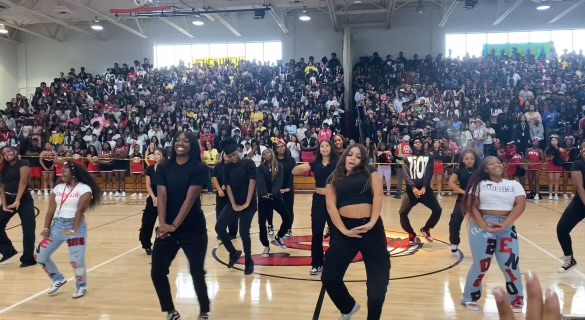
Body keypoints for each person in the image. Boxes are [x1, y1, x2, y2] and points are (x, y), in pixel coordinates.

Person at [321, 143, 390, 320]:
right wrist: (344, 230)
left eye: (358, 156)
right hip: (346, 231)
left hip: (372, 230)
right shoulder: (333, 178)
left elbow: (378, 195)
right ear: (344, 155)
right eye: (350, 154)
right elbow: (331, 207)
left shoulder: (370, 171)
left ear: (363, 160)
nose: (353, 158)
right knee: (330, 277)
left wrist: (373, 221)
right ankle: (348, 306)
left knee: (378, 282)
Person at [151, 132, 211, 320]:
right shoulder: (163, 167)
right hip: (167, 227)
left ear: (192, 145)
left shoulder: (199, 168)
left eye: (185, 141)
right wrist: (163, 225)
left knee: (196, 271)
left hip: (193, 229)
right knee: (157, 271)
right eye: (177, 140)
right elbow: (161, 195)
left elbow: (190, 199)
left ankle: (203, 311)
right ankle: (170, 311)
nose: (181, 143)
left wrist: (174, 225)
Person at [461, 156, 525, 312]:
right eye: (492, 163)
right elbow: (472, 207)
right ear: (485, 169)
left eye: (498, 162)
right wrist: (484, 226)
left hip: (506, 225)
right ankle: (469, 297)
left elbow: (520, 204)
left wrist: (505, 223)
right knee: (482, 264)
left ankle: (516, 299)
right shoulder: (479, 184)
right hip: (482, 225)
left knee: (510, 263)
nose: (497, 164)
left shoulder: (513, 184)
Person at [35, 162, 101, 299]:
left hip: (75, 226)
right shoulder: (58, 188)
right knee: (40, 256)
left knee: (76, 260)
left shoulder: (85, 189)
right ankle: (58, 279)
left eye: (64, 171)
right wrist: (47, 227)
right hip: (58, 225)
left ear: (74, 173)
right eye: (60, 172)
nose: (61, 174)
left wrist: (74, 230)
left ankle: (81, 286)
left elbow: (79, 211)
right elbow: (51, 210)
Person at [292, 140, 339, 275]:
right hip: (318, 200)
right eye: (322, 146)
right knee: (317, 233)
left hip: (334, 200)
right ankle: (316, 263)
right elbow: (294, 171)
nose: (324, 148)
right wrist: (302, 167)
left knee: (336, 234)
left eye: (327, 146)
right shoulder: (315, 163)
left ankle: (332, 261)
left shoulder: (338, 164)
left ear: (331, 148)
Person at [215, 137, 257, 275]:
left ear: (238, 151)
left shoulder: (248, 163)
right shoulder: (226, 168)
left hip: (248, 205)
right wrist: (233, 204)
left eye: (234, 154)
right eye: (229, 155)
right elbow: (228, 186)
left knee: (244, 232)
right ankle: (233, 252)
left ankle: (248, 260)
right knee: (219, 227)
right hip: (233, 203)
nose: (232, 157)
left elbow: (252, 183)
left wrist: (246, 203)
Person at [398, 137, 442, 245]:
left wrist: (424, 187)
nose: (418, 143)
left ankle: (426, 229)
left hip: (425, 190)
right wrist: (413, 188)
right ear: (412, 145)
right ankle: (411, 234)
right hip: (411, 190)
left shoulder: (429, 157)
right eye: (416, 142)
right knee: (402, 213)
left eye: (420, 142)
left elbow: (429, 173)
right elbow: (406, 175)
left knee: (437, 210)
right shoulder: (406, 158)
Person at [0, 146, 37, 267]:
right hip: (9, 200)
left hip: (24, 200)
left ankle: (28, 259)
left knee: (28, 229)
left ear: (15, 152)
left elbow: (23, 181)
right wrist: (5, 205)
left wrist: (17, 200)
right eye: (4, 153)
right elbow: (1, 187)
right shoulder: (4, 168)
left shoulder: (23, 162)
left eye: (9, 151)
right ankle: (7, 250)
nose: (7, 154)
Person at [556, 141, 585, 273]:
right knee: (562, 229)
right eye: (584, 148)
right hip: (581, 202)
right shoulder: (578, 164)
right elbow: (579, 187)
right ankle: (569, 258)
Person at [256, 148, 291, 257]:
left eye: (267, 152)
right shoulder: (260, 168)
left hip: (276, 196)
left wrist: (273, 193)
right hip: (263, 197)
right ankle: (266, 246)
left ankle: (279, 236)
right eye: (264, 154)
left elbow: (279, 181)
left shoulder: (279, 166)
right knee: (262, 223)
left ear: (272, 153)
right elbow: (260, 182)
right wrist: (264, 193)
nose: (266, 154)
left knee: (287, 218)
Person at [447, 150, 480, 255]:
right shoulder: (459, 170)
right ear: (463, 160)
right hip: (463, 199)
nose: (469, 161)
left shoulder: (480, 170)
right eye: (466, 159)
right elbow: (451, 183)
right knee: (454, 222)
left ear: (475, 160)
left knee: (479, 223)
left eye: (471, 159)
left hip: (477, 199)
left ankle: (482, 246)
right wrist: (465, 192)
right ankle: (454, 244)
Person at [139, 148, 164, 255]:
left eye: (158, 154)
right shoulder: (149, 168)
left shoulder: (167, 168)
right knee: (147, 222)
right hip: (153, 198)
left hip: (165, 197)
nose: (156, 156)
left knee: (166, 222)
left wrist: (160, 197)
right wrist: (154, 198)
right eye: (154, 154)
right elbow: (148, 185)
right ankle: (146, 244)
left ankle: (165, 243)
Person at [211, 153, 237, 239]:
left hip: (232, 193)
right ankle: (221, 232)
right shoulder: (218, 166)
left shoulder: (235, 165)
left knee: (233, 212)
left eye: (228, 154)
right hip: (221, 194)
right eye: (224, 154)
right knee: (220, 212)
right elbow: (214, 178)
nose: (226, 156)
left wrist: (227, 185)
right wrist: (219, 189)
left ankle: (232, 233)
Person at [275, 139, 296, 238]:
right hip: (275, 189)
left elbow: (292, 175)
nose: (281, 148)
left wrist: (288, 187)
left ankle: (288, 228)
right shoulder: (273, 160)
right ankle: (270, 226)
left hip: (288, 189)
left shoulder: (291, 160)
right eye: (278, 147)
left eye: (282, 146)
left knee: (288, 209)